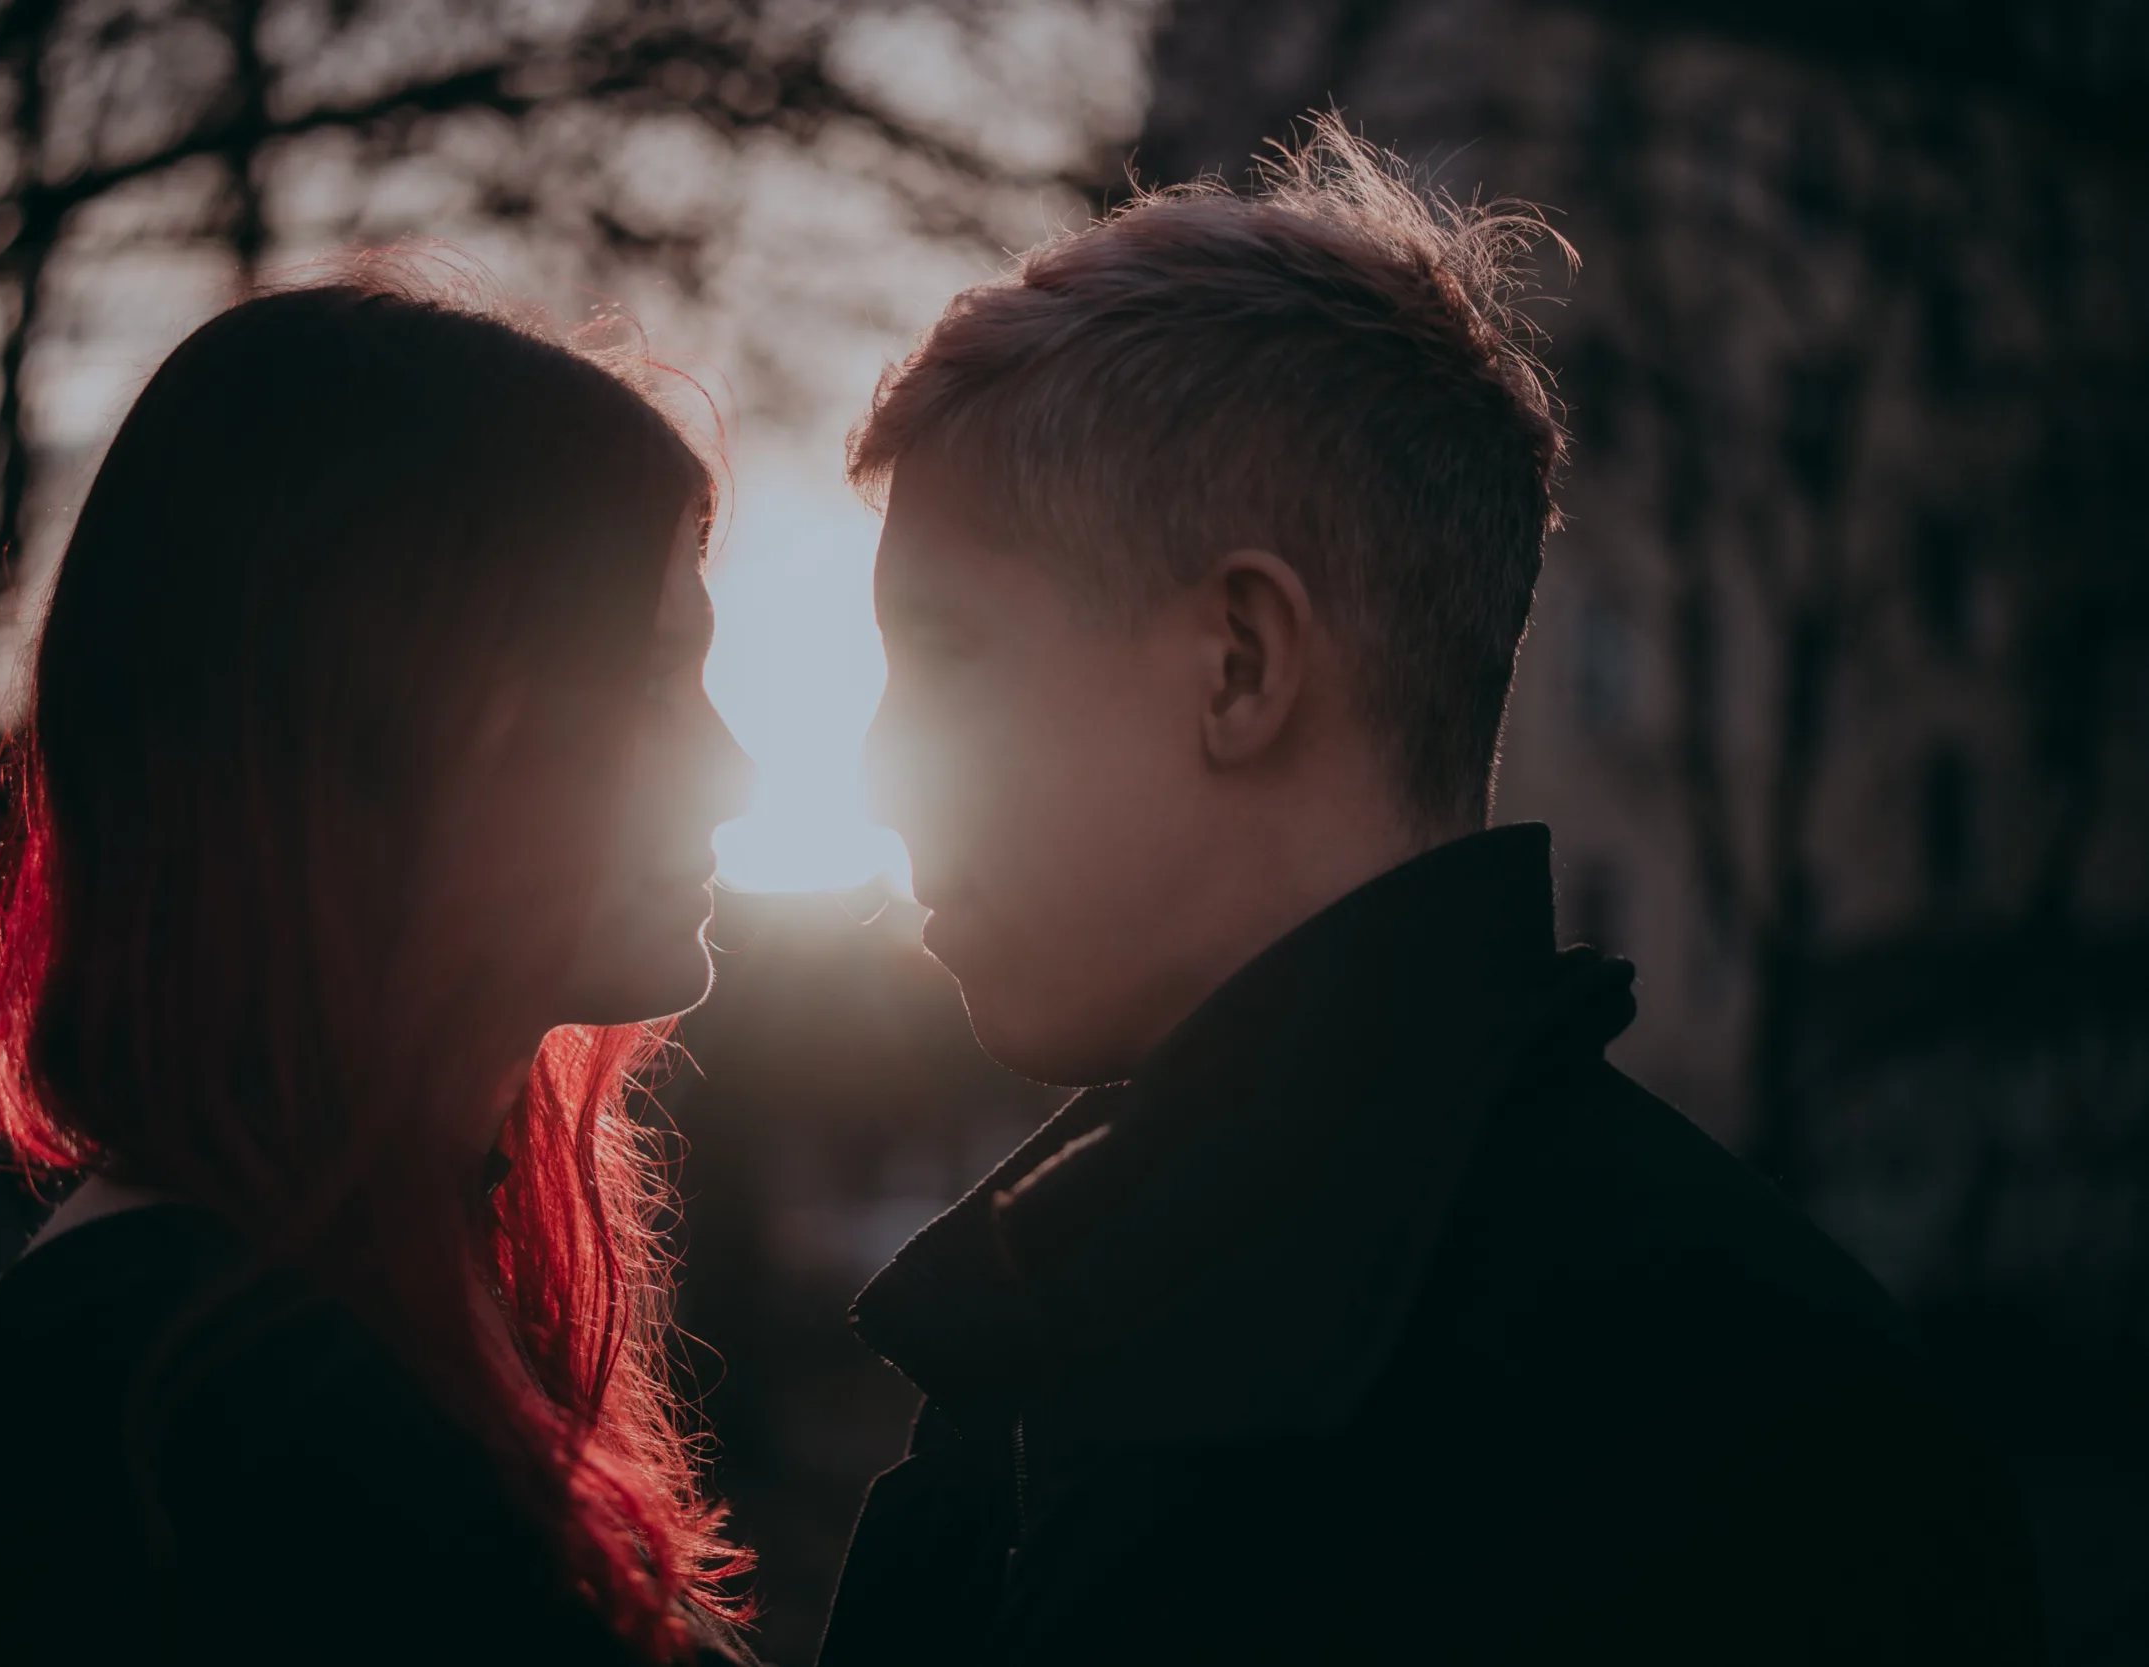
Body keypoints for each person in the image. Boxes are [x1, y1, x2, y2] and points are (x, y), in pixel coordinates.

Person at [819, 117, 2044, 1665]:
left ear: (1240, 665)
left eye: (942, 660)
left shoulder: (1745, 1434)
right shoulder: (1040, 1351)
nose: (875, 773)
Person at [0, 275, 755, 1664]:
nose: (734, 766)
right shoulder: (211, 1386)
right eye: (653, 679)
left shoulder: (321, 1302)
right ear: (391, 725)